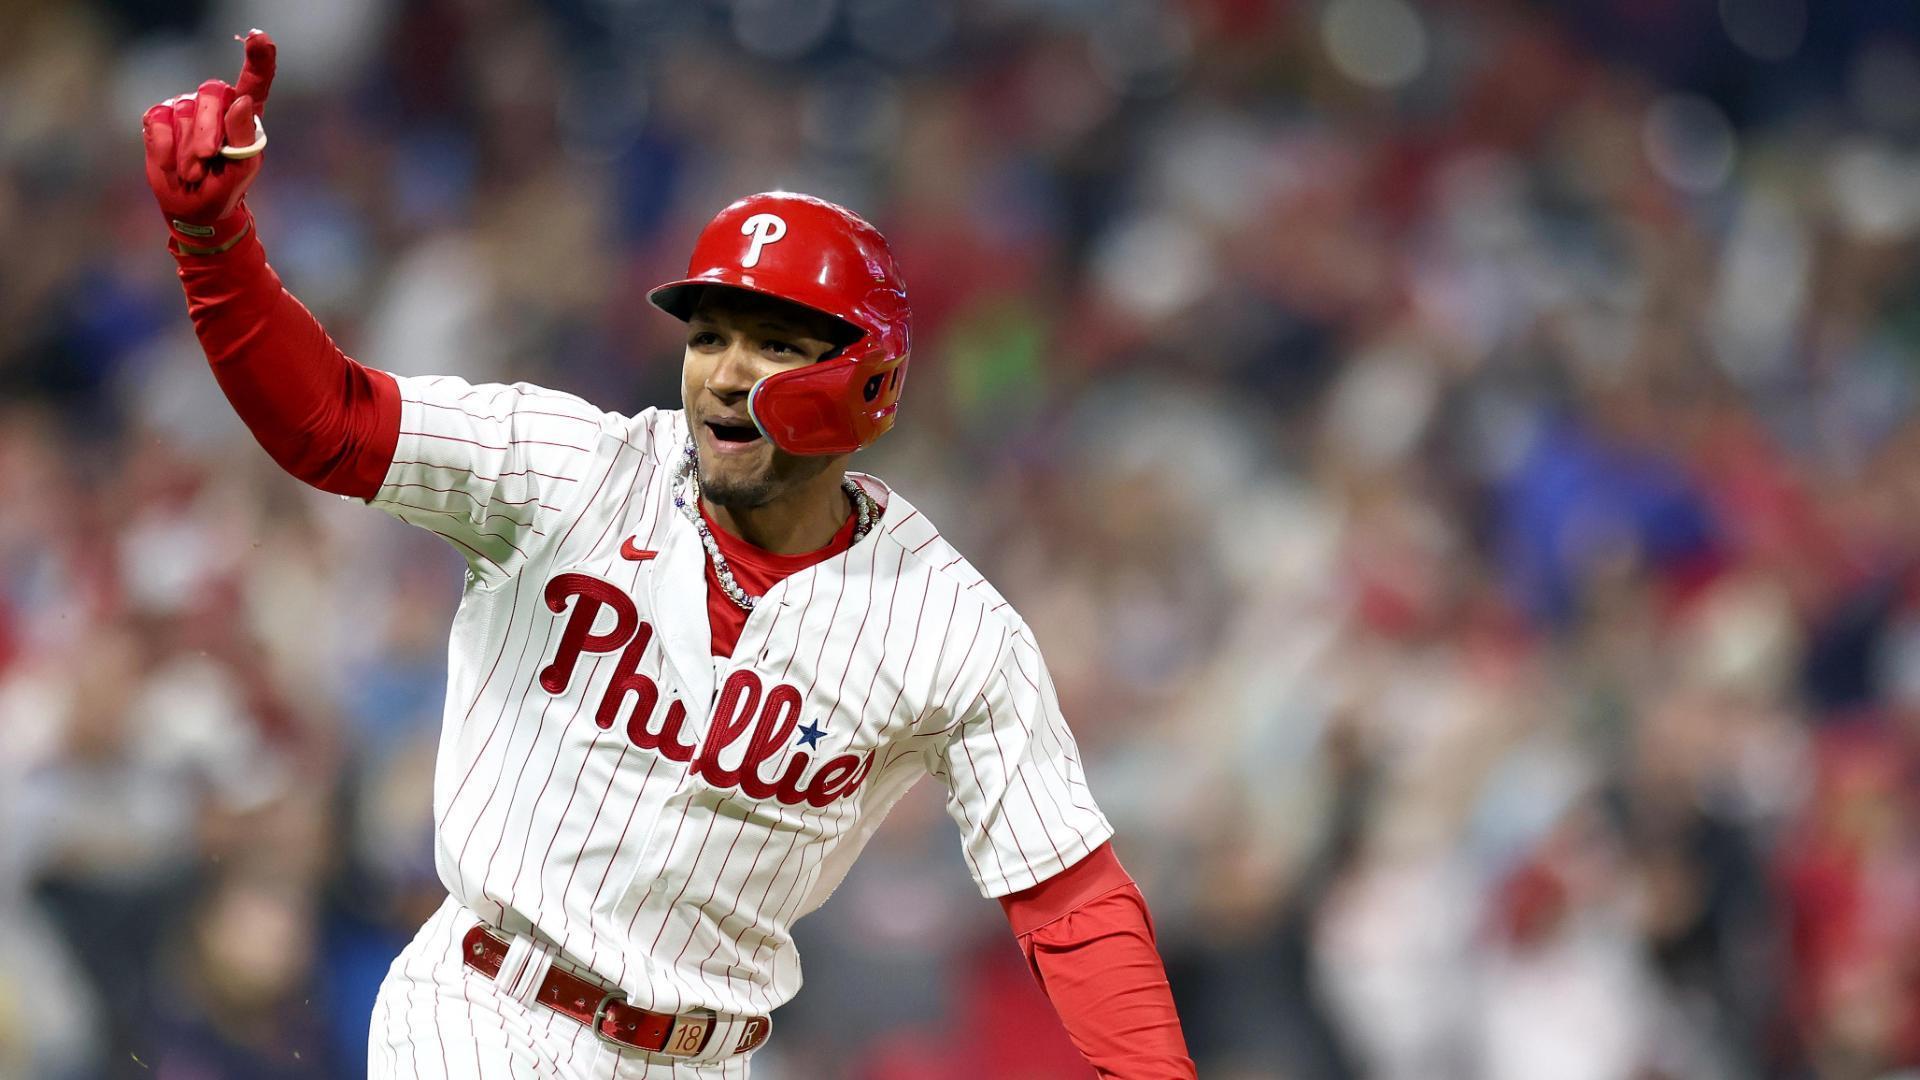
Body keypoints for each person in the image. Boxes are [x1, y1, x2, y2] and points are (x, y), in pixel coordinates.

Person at [141, 31, 1194, 1078]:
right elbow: (332, 423)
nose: (727, 373)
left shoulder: (946, 626)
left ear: (871, 385)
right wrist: (213, 242)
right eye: (709, 336)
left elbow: (1070, 897)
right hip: (486, 1012)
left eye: (776, 343)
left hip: (706, 1058)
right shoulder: (570, 471)